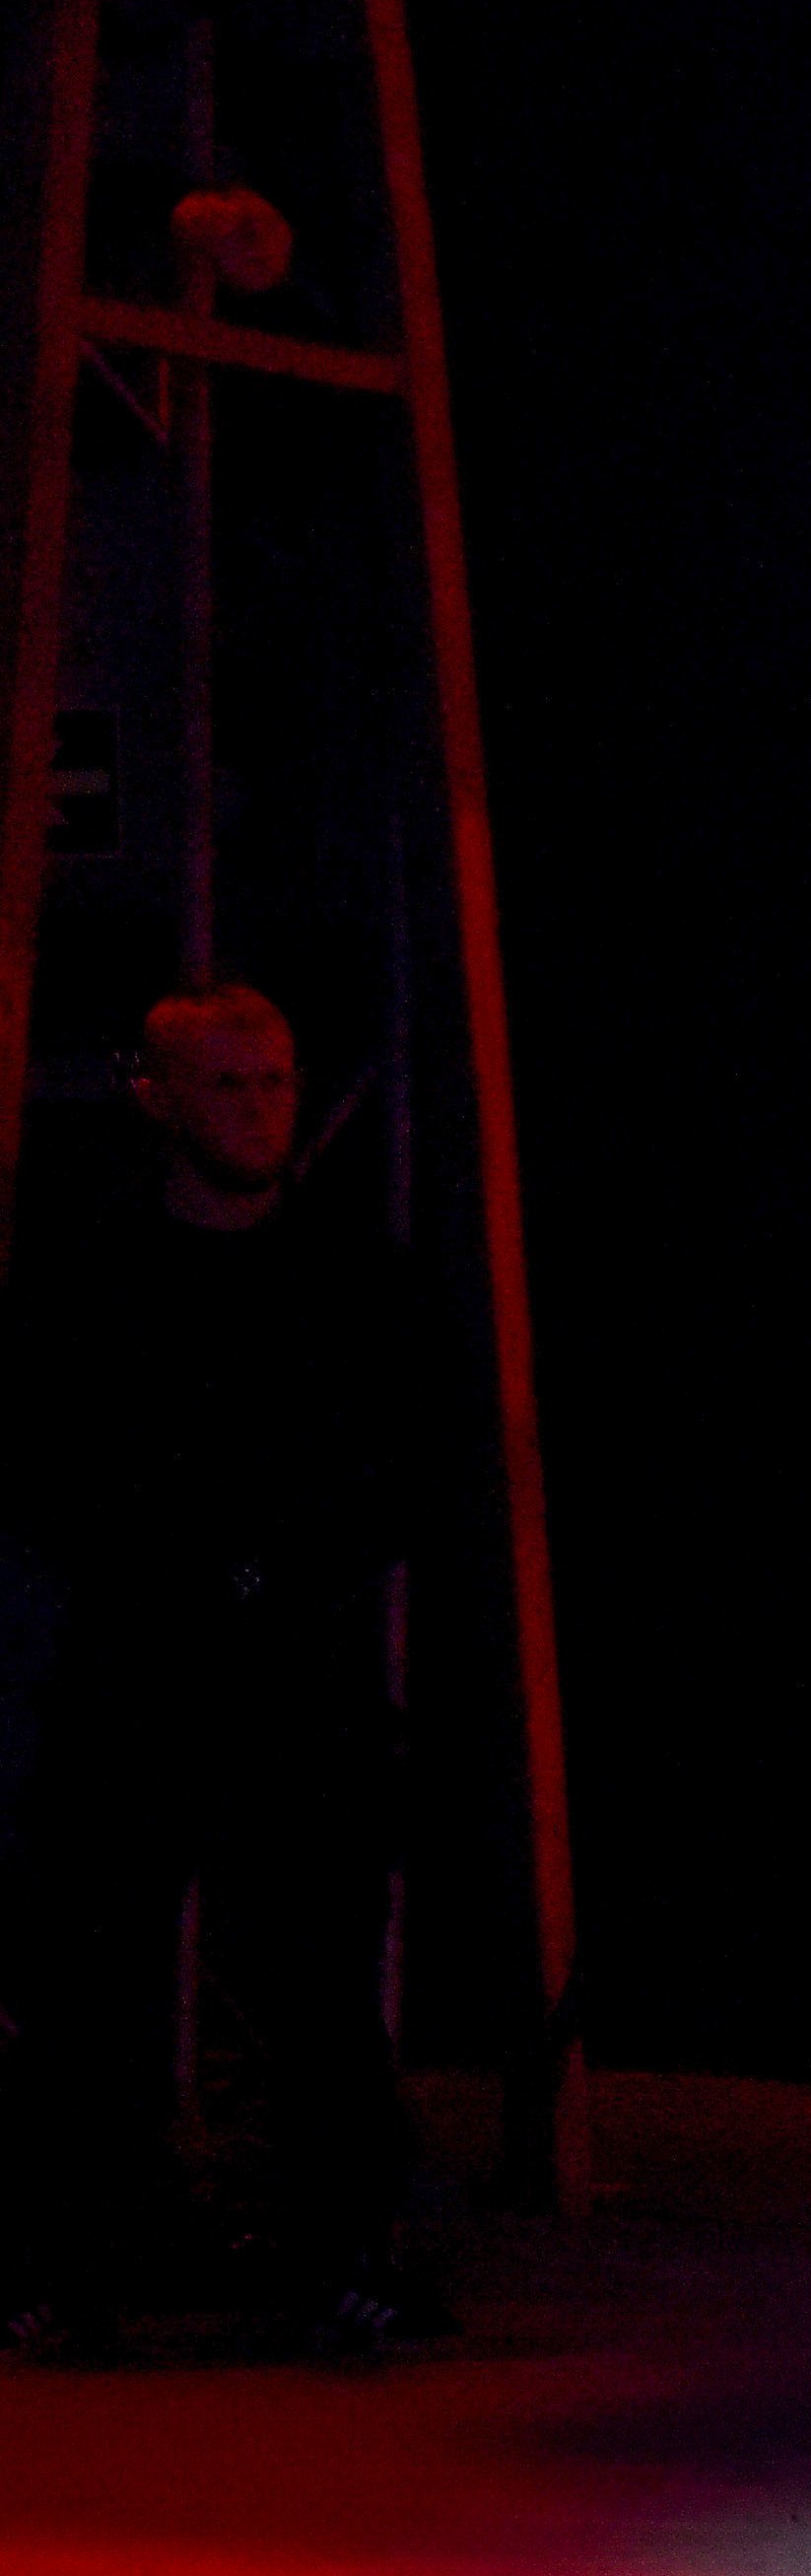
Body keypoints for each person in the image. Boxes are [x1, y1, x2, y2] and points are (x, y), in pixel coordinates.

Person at [0, 984, 425, 2358]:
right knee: (90, 1975)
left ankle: (342, 2255)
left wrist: (282, 1569)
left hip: (299, 1676)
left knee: (316, 1977)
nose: (259, 1106)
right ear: (161, 1099)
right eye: (229, 1084)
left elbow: (397, 1469)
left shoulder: (348, 1274)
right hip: (138, 1667)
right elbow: (48, 1461)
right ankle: (78, 2259)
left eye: (277, 1079)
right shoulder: (96, 1273)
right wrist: (178, 1567)